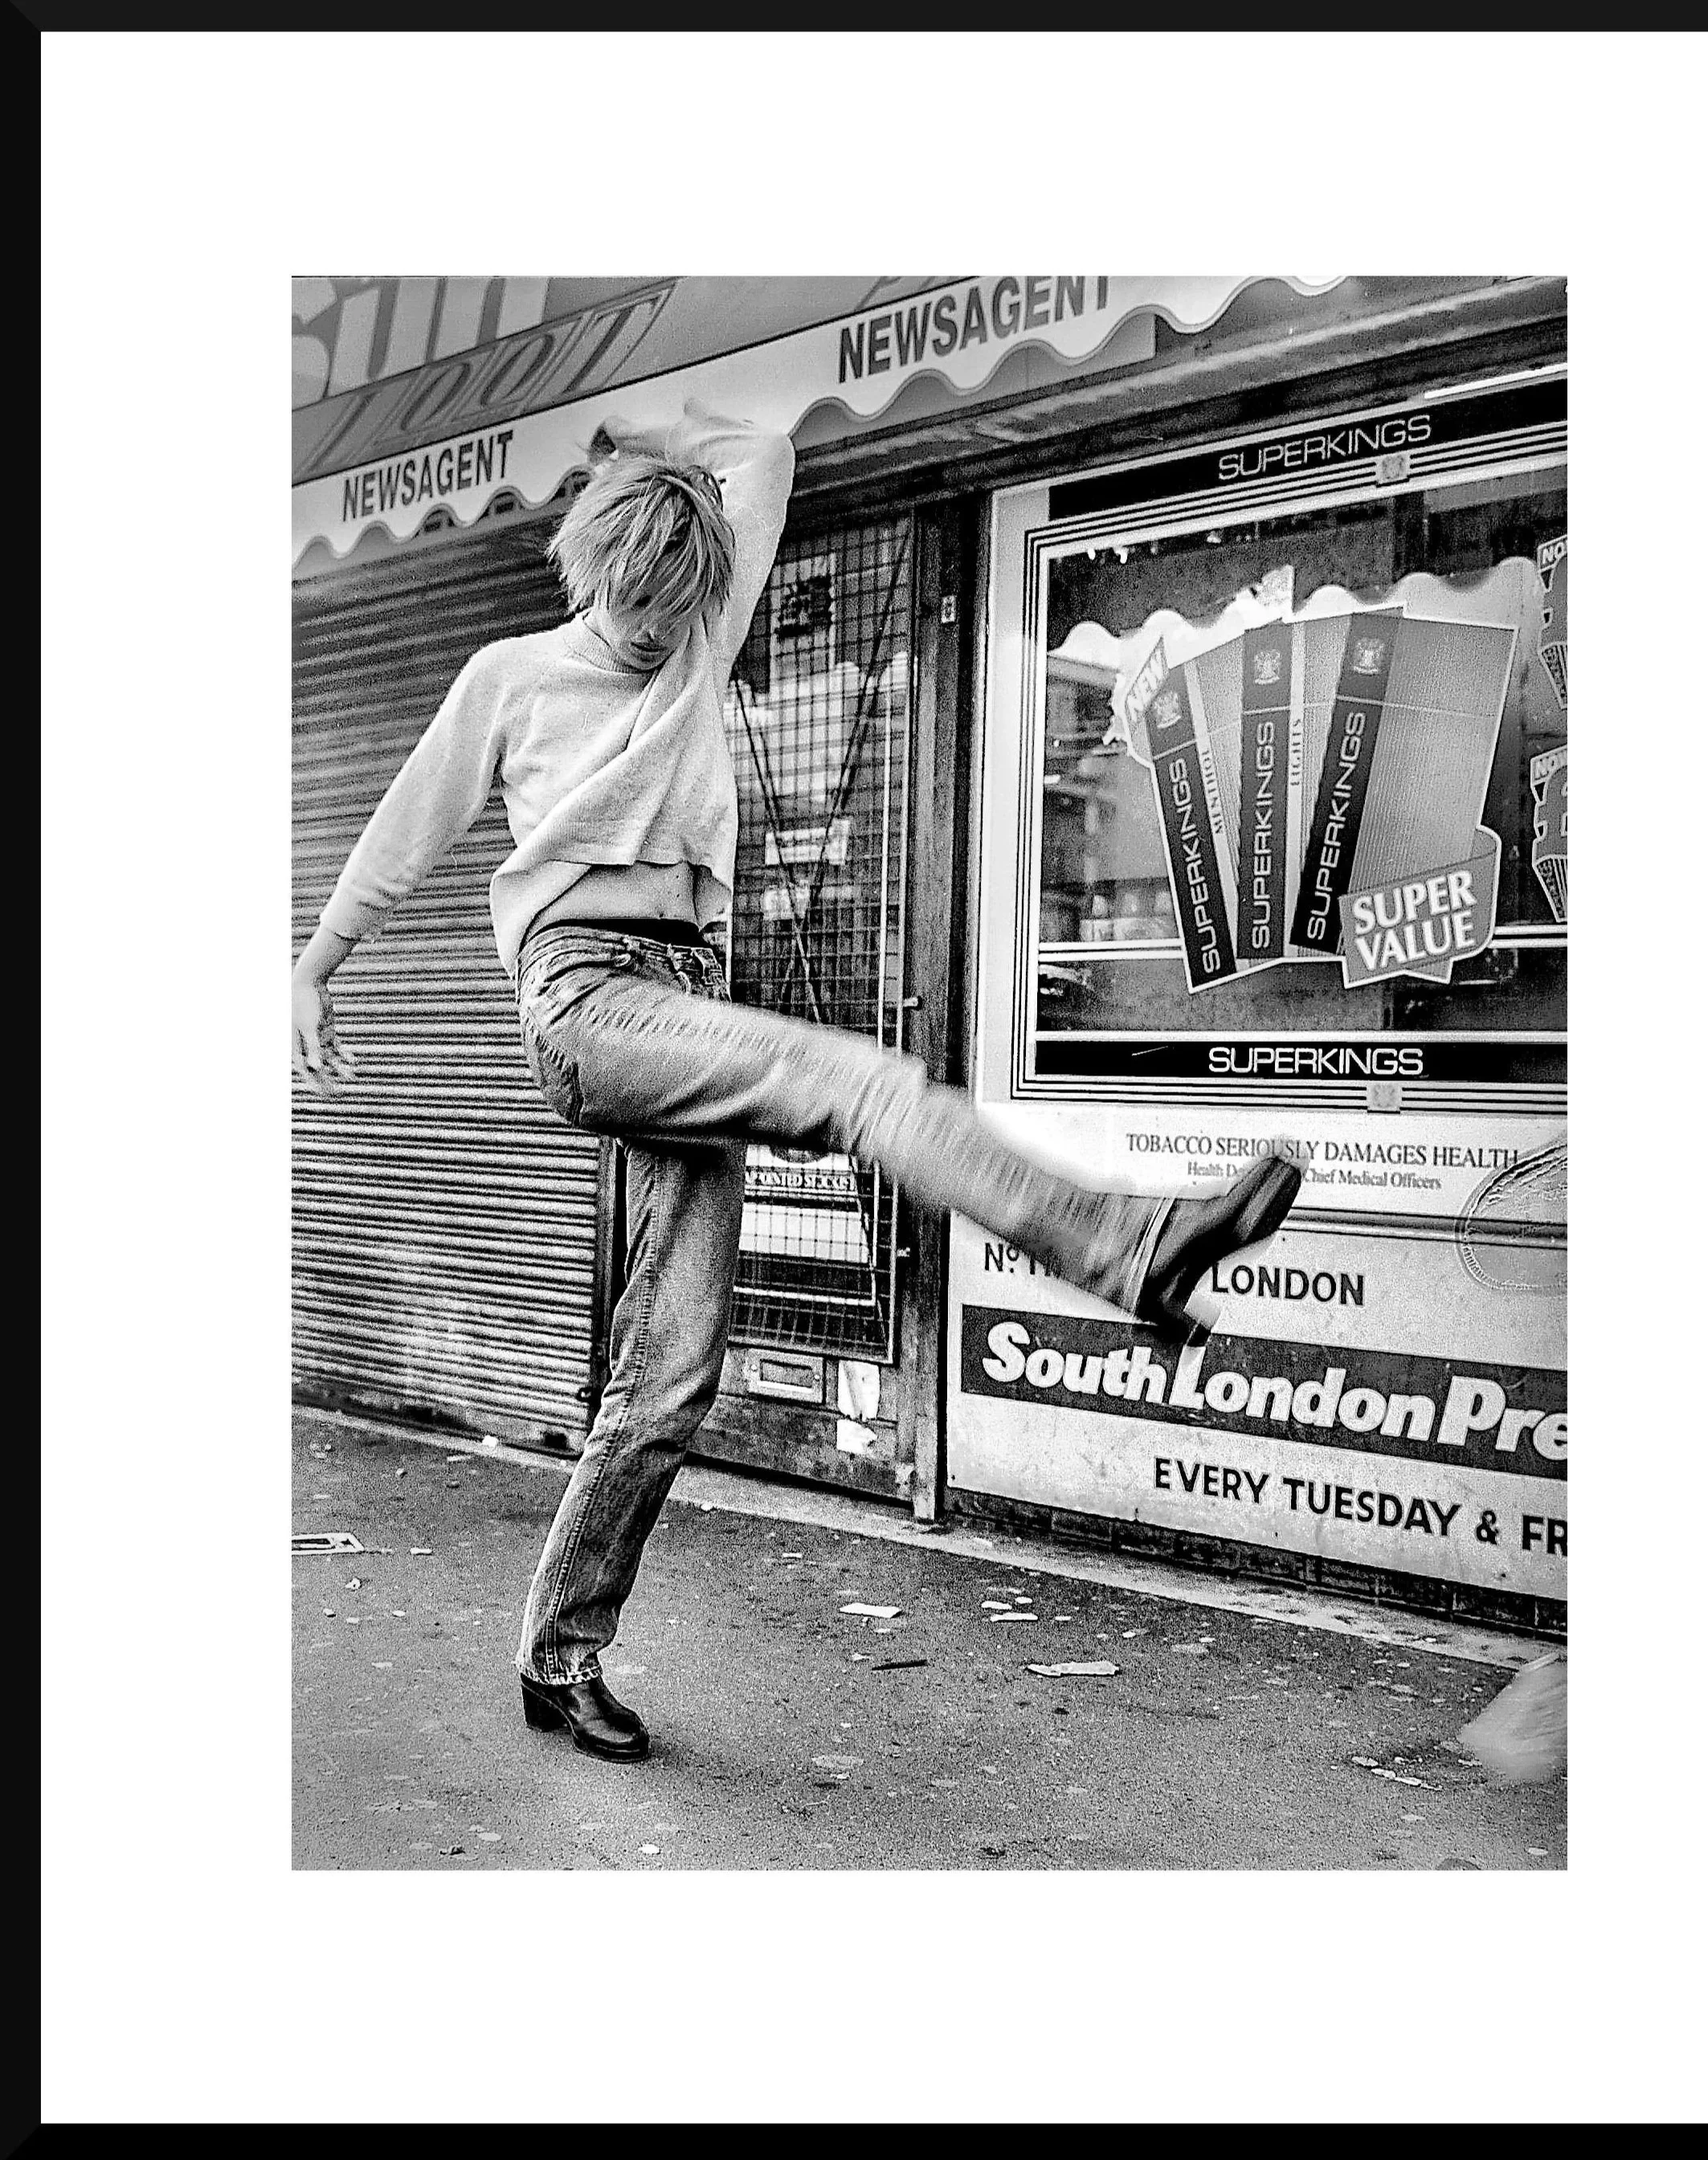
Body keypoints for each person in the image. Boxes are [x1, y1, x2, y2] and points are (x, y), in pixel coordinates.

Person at [292, 396, 1309, 1764]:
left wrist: (643, 438)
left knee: (670, 1376)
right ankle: (1129, 1248)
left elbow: (760, 452)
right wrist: (314, 967)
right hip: (586, 1004)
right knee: (861, 1086)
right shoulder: (510, 677)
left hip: (684, 997)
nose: (652, 635)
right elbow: (405, 829)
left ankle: (557, 1656)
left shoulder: (699, 639)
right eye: (633, 606)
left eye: (676, 609)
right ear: (589, 572)